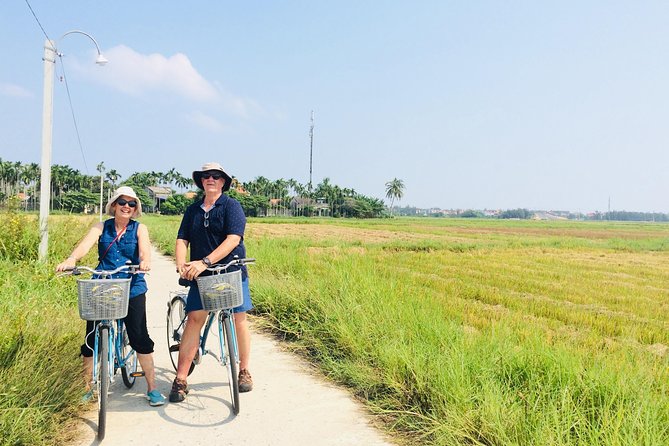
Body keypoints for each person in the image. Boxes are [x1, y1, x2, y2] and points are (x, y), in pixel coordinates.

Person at [56, 186, 166, 406]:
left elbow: (145, 251)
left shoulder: (139, 229)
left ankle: (153, 389)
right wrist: (71, 260)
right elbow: (85, 245)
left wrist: (145, 261)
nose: (127, 207)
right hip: (103, 286)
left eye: (131, 203)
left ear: (135, 209)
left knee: (139, 337)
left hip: (131, 285)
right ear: (114, 205)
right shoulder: (101, 226)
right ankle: (86, 387)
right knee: (90, 338)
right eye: (122, 202)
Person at [169, 162, 254, 403]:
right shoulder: (193, 210)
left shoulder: (231, 206)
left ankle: (244, 370)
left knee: (239, 318)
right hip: (201, 275)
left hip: (230, 271)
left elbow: (233, 239)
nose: (211, 179)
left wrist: (205, 261)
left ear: (223, 182)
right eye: (206, 176)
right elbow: (181, 239)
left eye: (216, 176)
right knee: (195, 318)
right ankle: (181, 378)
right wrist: (181, 263)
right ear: (201, 181)